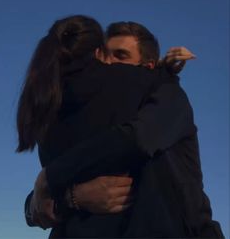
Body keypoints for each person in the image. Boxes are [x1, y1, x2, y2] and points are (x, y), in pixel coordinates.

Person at [16, 17, 223, 238]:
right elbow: (35, 207)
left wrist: (49, 177)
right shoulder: (81, 113)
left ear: (148, 66)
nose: (110, 63)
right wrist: (73, 197)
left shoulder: (165, 96)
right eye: (107, 54)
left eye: (121, 56)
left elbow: (137, 139)